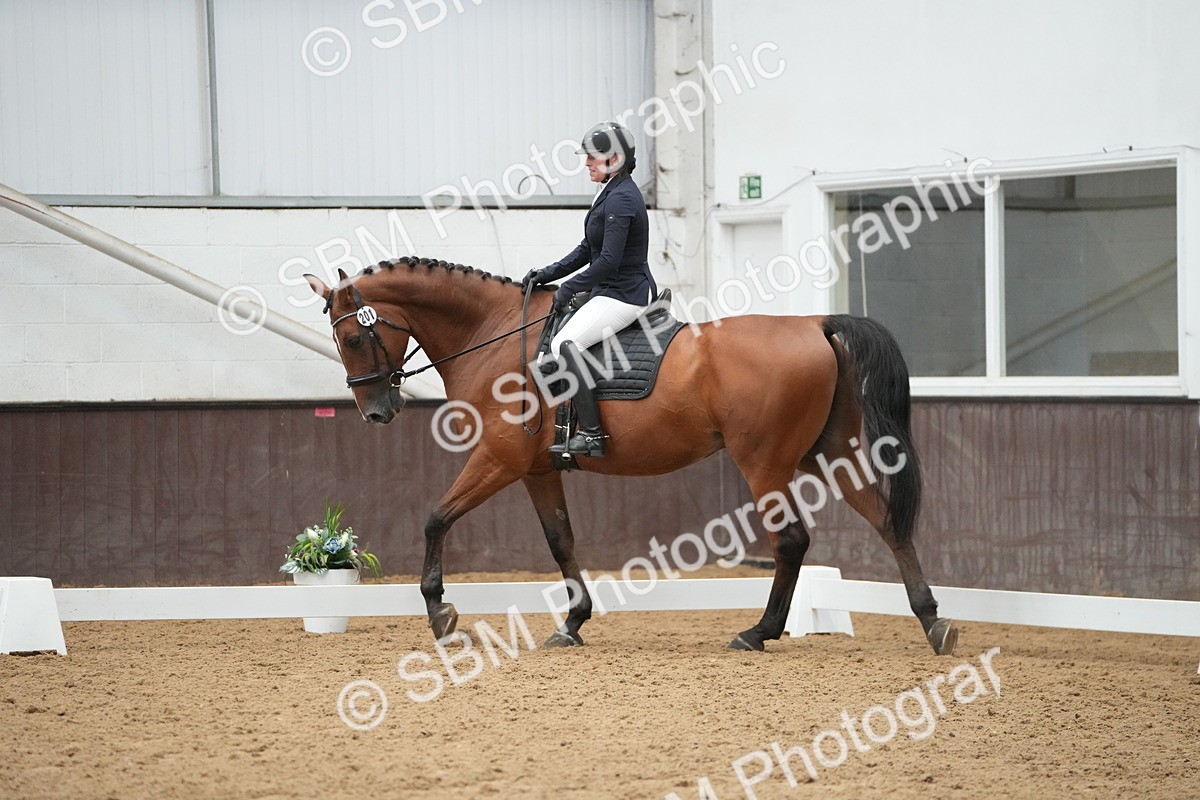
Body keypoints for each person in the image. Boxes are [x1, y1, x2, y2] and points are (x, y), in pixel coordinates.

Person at [521, 121, 657, 458]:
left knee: (566, 342)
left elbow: (609, 261)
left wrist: (569, 287)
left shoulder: (622, 198)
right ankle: (564, 419)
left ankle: (594, 435)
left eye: (592, 158)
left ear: (613, 159)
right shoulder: (610, 190)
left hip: (626, 293)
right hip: (609, 288)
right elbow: (588, 249)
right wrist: (547, 273)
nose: (586, 164)